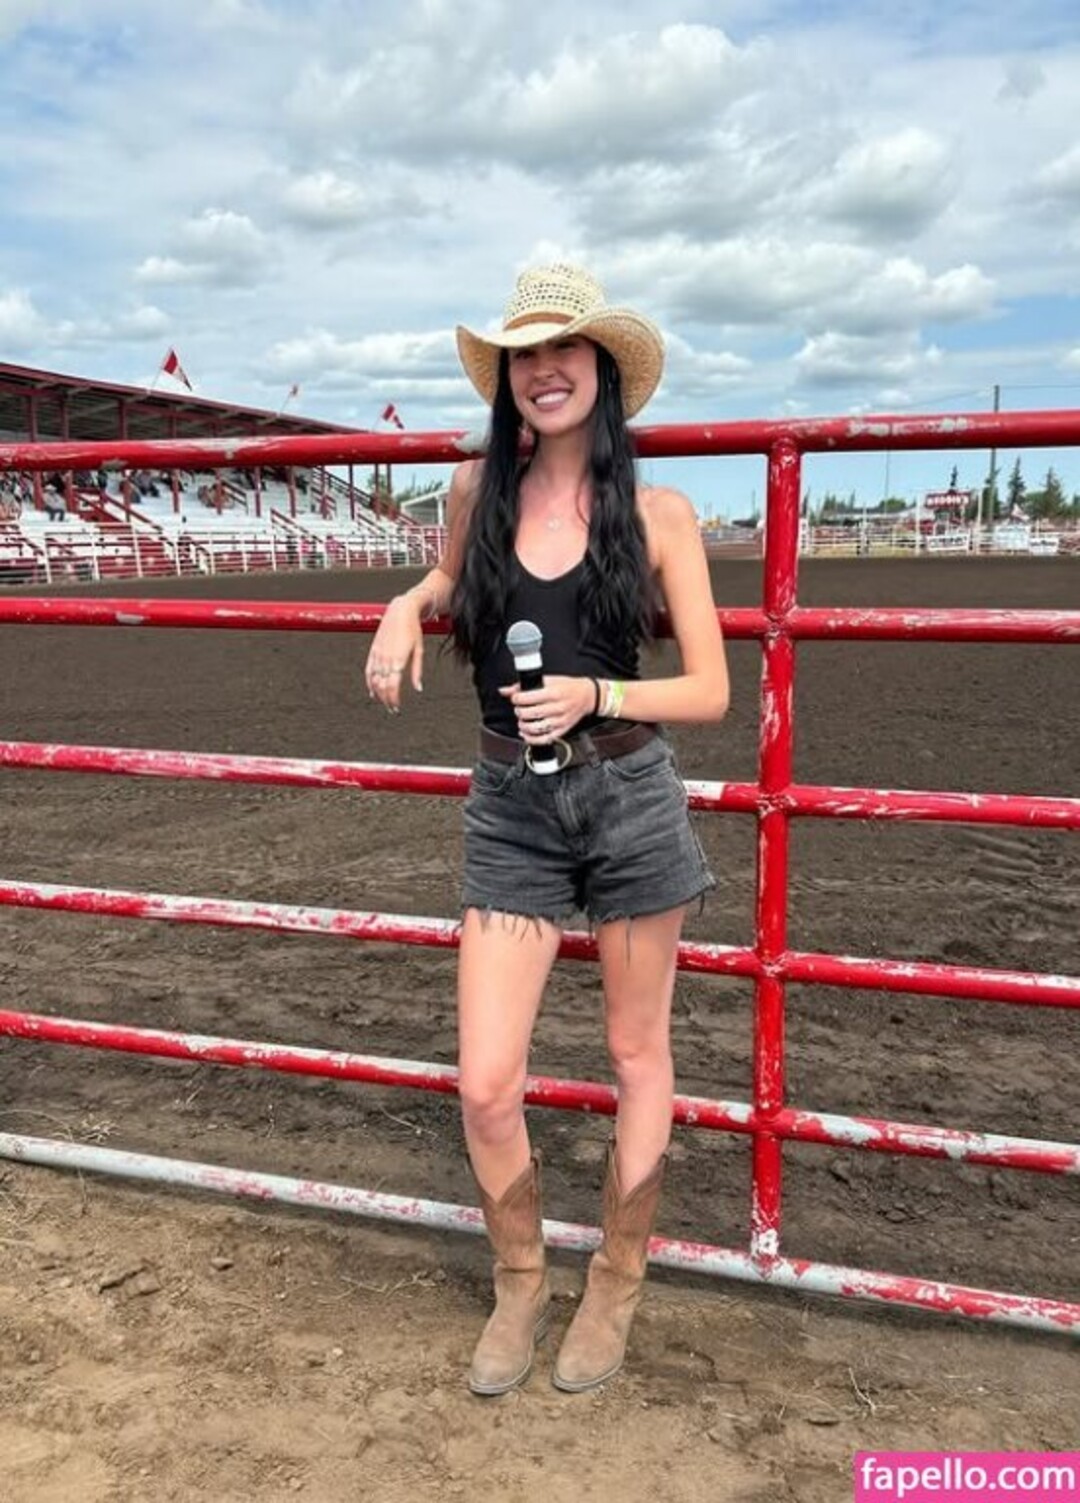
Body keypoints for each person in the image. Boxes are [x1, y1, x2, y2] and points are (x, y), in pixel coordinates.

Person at [364, 264, 729, 1396]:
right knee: (485, 1081)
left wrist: (596, 692)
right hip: (511, 809)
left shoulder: (660, 516)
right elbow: (446, 575)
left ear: (602, 368)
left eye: (565, 348)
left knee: (635, 1053)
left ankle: (615, 1280)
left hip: (627, 797)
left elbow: (712, 689)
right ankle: (520, 1280)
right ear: (508, 377)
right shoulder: (476, 491)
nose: (545, 369)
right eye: (526, 354)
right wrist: (403, 605)